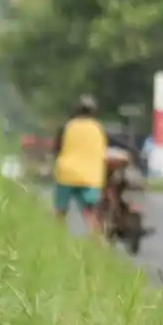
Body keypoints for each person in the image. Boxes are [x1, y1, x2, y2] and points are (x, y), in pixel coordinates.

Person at [52, 95, 109, 230]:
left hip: (66, 174)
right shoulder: (99, 129)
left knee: (60, 212)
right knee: (91, 214)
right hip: (90, 177)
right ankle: (99, 244)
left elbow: (56, 149)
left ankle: (56, 240)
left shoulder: (67, 127)